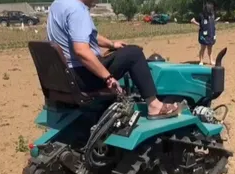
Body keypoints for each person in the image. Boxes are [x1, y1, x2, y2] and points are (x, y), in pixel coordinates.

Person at [47, 0, 183, 120]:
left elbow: (84, 34)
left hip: (65, 75)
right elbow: (81, 52)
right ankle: (154, 106)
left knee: (121, 52)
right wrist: (108, 78)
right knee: (134, 53)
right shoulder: (77, 9)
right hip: (82, 76)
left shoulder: (57, 4)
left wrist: (112, 44)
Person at [191, 2, 219, 66]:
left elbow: (212, 23)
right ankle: (201, 61)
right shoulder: (201, 15)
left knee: (210, 48)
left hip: (210, 34)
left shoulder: (212, 15)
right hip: (203, 34)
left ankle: (211, 60)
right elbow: (193, 20)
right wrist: (199, 24)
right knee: (203, 48)